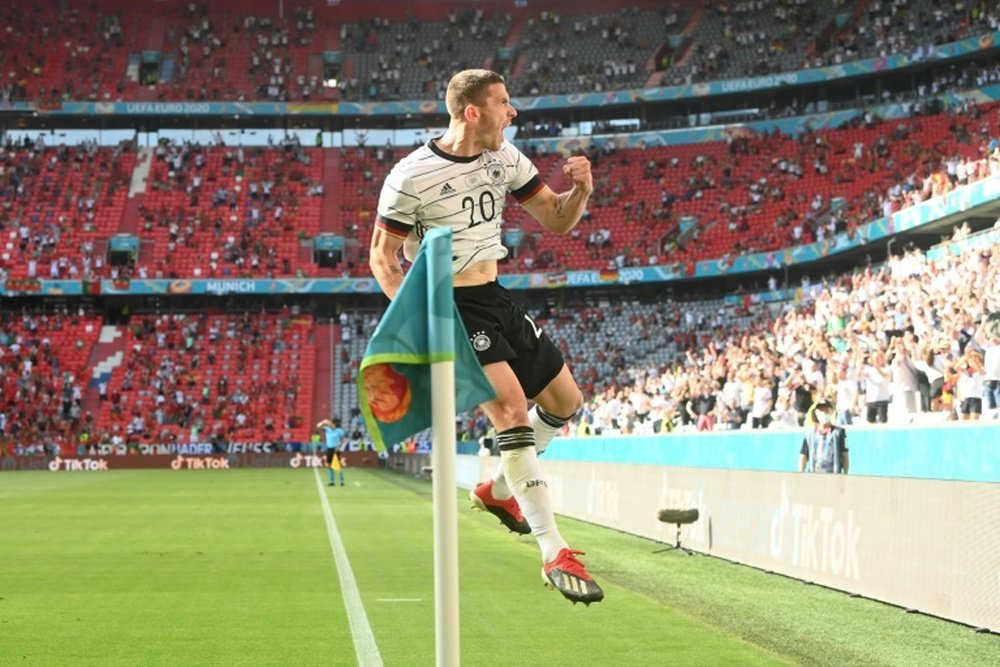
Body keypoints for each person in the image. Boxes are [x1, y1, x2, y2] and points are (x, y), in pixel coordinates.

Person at [370, 69, 603, 605]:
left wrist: (581, 191)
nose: (513, 112)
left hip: (496, 297)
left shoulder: (507, 158)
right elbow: (382, 258)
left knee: (567, 402)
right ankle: (553, 550)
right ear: (472, 112)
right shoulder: (411, 175)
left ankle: (498, 492)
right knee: (511, 410)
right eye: (503, 103)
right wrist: (421, 318)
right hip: (450, 303)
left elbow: (556, 219)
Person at [799, 400, 849, 474]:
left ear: (831, 412)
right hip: (814, 475)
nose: (824, 413)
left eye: (826, 411)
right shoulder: (809, 434)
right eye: (821, 411)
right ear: (816, 413)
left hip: (834, 475)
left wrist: (845, 474)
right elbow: (804, 456)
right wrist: (801, 473)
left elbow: (845, 456)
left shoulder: (839, 433)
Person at [317, 418, 346, 486]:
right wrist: (323, 422)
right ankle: (332, 481)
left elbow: (343, 439)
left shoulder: (339, 431)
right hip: (329, 449)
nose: (329, 424)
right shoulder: (327, 429)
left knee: (338, 465)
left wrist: (339, 447)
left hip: (336, 449)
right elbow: (318, 426)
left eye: (331, 423)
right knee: (329, 465)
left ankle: (342, 480)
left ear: (334, 424)